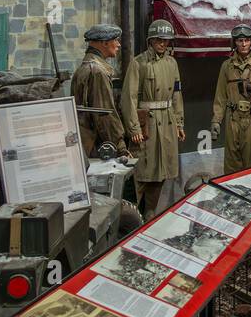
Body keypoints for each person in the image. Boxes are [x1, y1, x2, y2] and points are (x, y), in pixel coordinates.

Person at [122, 19, 184, 219]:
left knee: (162, 172)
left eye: (165, 40)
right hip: (146, 124)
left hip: (166, 122)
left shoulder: (172, 63)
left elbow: (176, 95)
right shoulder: (139, 63)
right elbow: (129, 98)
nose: (162, 43)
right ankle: (132, 219)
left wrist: (179, 122)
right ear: (151, 40)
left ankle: (150, 216)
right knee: (142, 173)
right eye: (158, 39)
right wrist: (134, 129)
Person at [70, 24, 128, 158]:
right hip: (95, 145)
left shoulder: (85, 67)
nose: (118, 44)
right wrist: (120, 147)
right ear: (105, 43)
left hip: (85, 143)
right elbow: (104, 115)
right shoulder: (97, 72)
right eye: (116, 40)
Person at [212, 23, 251, 173]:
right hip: (233, 119)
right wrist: (216, 121)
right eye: (240, 40)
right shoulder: (227, 66)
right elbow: (220, 96)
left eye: (247, 40)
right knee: (232, 164)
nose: (243, 44)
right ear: (234, 42)